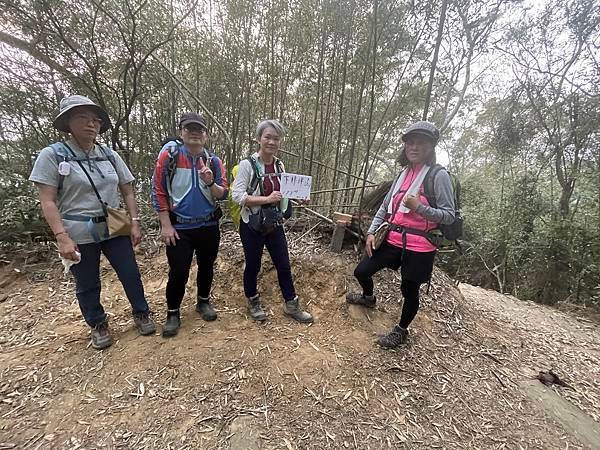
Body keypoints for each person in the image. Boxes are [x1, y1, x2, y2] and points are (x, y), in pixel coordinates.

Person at [29, 94, 155, 350]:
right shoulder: (53, 155)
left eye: (96, 120)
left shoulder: (109, 155)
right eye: (83, 118)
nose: (91, 124)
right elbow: (48, 200)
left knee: (130, 272)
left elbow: (127, 190)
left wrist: (134, 221)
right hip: (76, 225)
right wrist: (61, 236)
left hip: (114, 219)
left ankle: (142, 312)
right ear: (67, 122)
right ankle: (97, 323)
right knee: (87, 281)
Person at [346, 121, 455, 348]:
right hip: (393, 238)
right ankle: (368, 297)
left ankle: (401, 329)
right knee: (362, 270)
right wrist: (371, 232)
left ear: (431, 147)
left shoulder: (438, 175)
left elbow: (448, 215)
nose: (414, 147)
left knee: (409, 289)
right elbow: (385, 208)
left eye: (421, 143)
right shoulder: (402, 174)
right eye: (410, 142)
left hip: (420, 246)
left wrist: (419, 208)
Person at [152, 112, 228, 337]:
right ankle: (173, 312)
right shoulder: (170, 156)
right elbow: (158, 190)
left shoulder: (214, 161)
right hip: (180, 227)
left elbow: (223, 194)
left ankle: (203, 301)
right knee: (178, 271)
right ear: (181, 132)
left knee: (207, 266)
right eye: (189, 129)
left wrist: (210, 181)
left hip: (208, 224)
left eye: (199, 130)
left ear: (206, 135)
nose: (195, 133)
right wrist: (165, 225)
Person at [231, 119, 313, 323]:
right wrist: (266, 199)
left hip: (273, 223)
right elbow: (237, 196)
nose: (271, 142)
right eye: (267, 137)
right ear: (259, 139)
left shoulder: (279, 165)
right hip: (252, 223)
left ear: (280, 142)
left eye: (276, 138)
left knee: (283, 264)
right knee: (253, 265)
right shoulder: (247, 165)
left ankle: (291, 304)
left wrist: (299, 198)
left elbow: (283, 193)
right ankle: (253, 300)